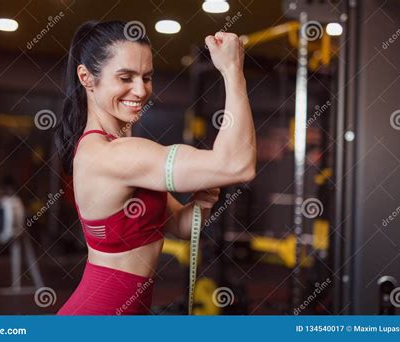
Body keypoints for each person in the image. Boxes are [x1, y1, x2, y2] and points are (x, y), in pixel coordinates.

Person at [55, 20, 256, 315]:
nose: (140, 90)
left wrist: (203, 200)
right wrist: (232, 71)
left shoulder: (121, 145)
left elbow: (179, 226)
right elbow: (239, 165)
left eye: (146, 77)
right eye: (125, 77)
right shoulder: (111, 154)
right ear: (86, 77)